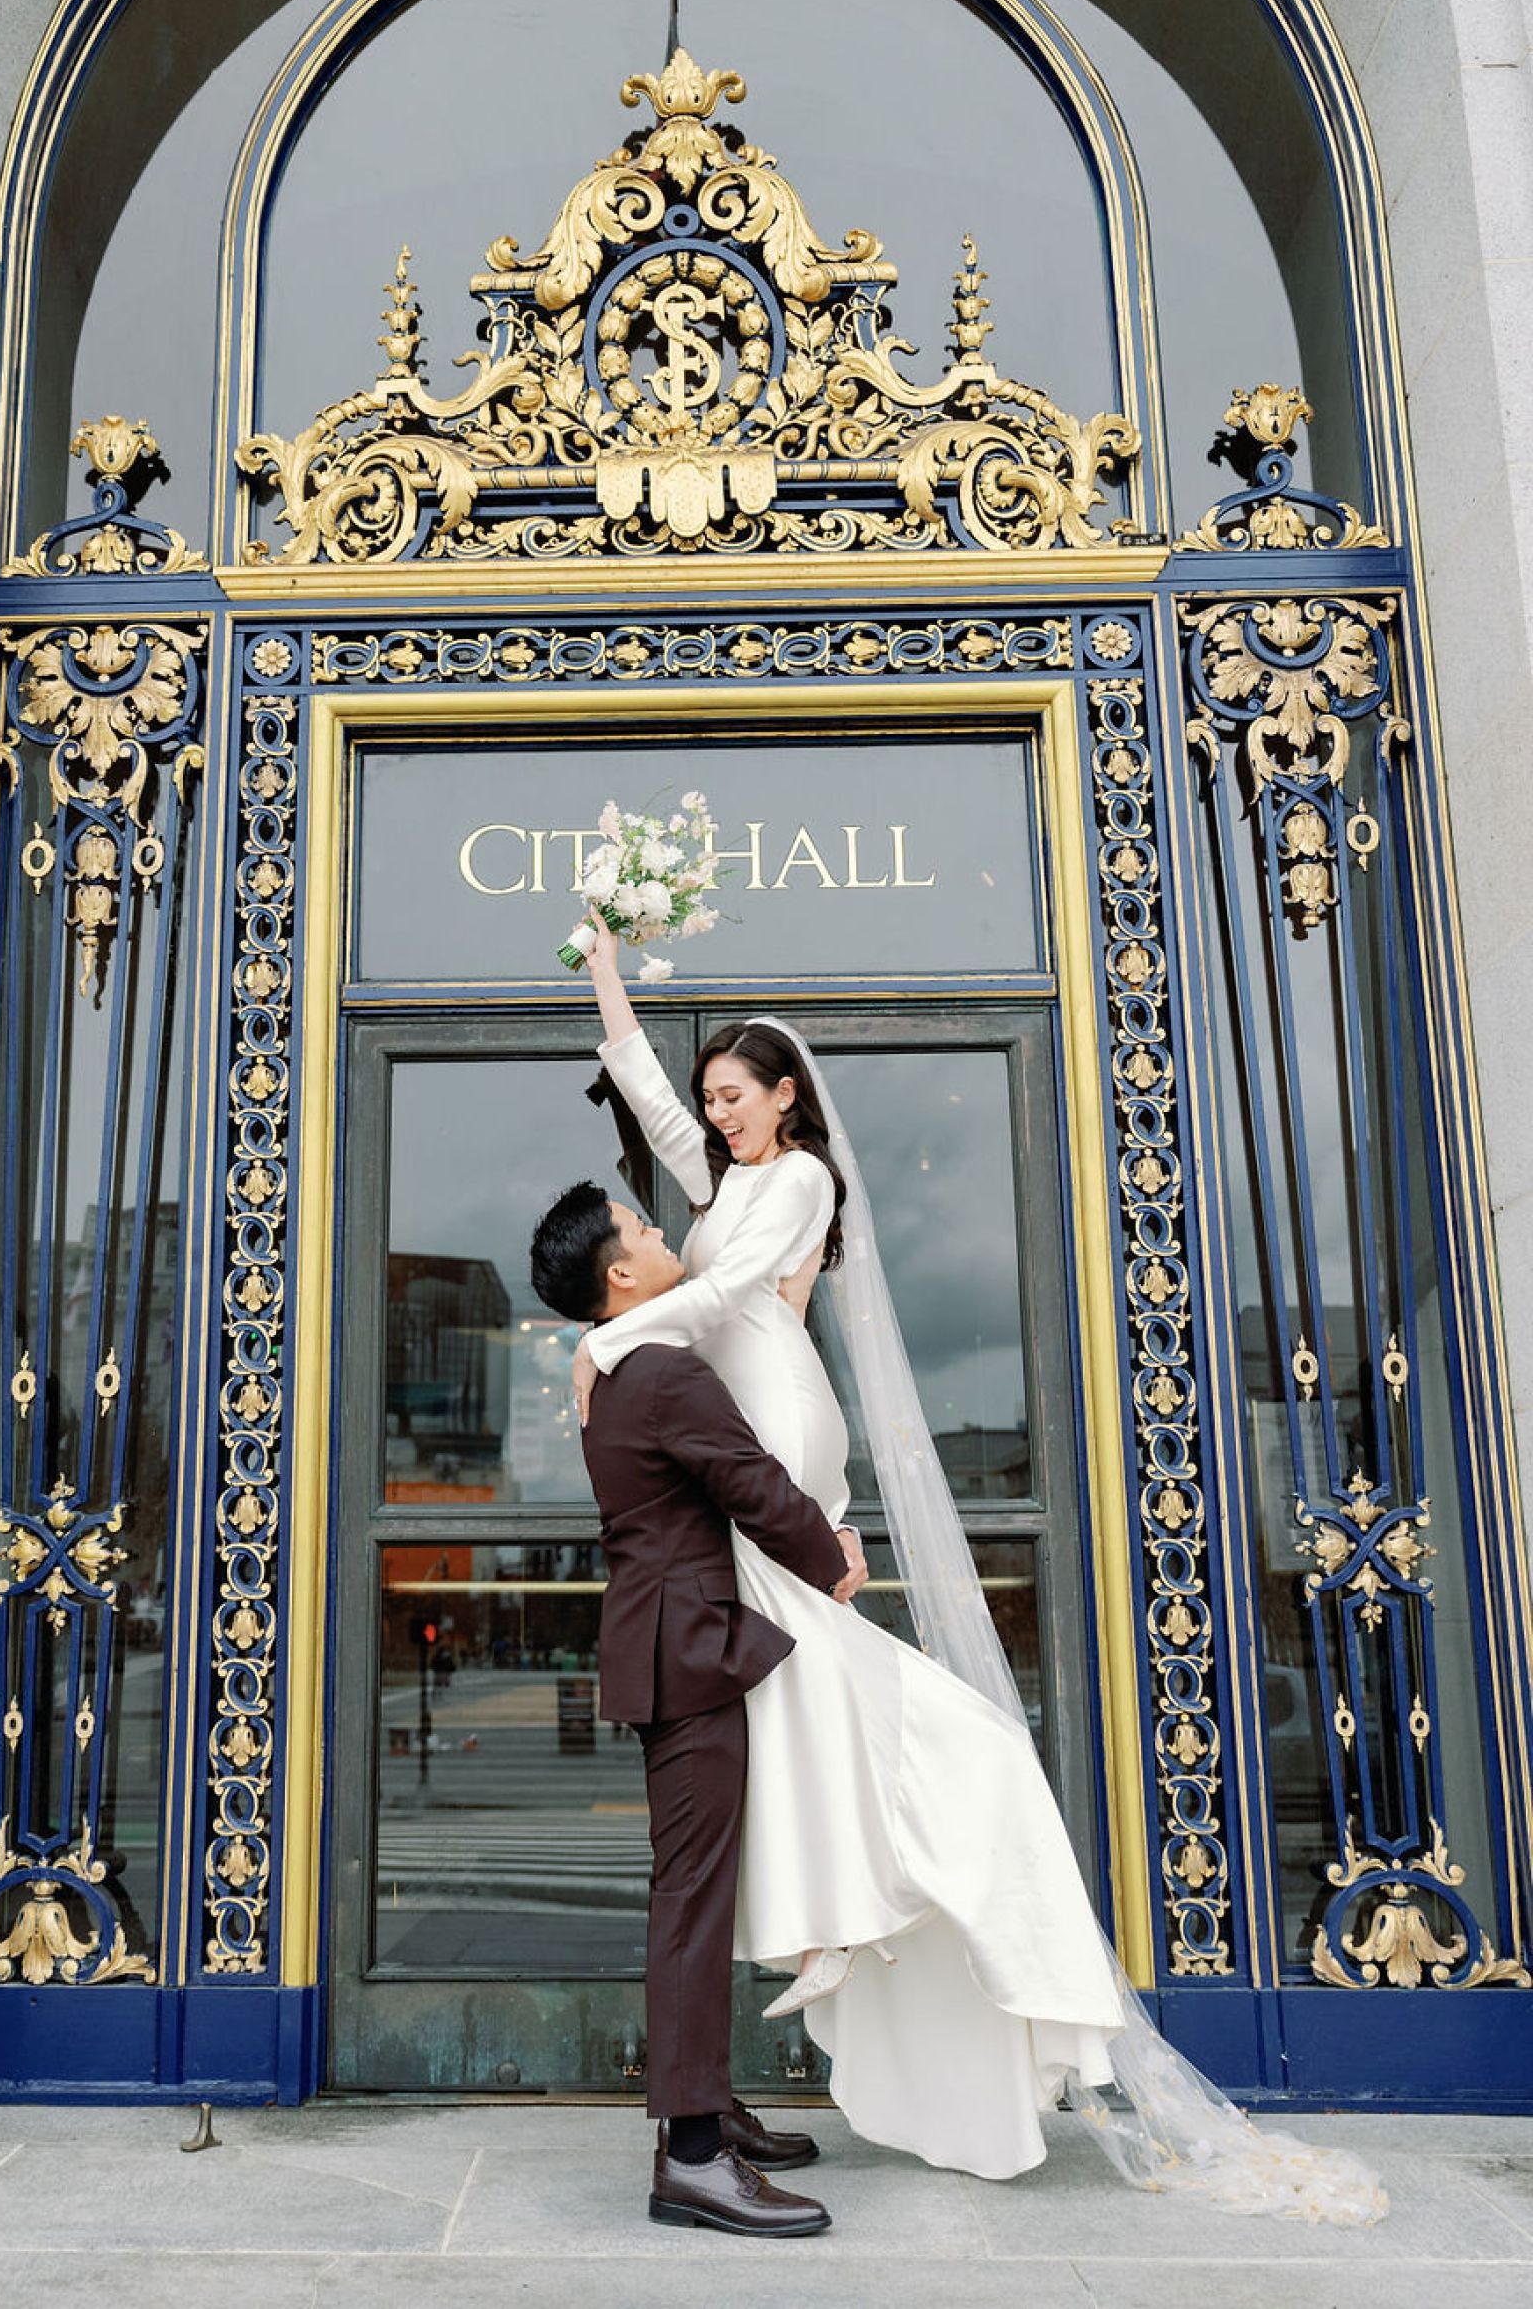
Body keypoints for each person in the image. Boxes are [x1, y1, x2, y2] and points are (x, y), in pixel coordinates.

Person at [563, 917, 1388, 2224]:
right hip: (760, 1490)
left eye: (737, 1095)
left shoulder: (797, 1190)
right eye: (712, 1101)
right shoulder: (721, 1189)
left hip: (777, 1448)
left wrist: (610, 1344)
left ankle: (848, 1951)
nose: (716, 1118)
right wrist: (609, 976)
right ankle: (813, 1969)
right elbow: (654, 1105)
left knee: (857, 1740)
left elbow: (717, 1309)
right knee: (836, 1749)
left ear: (788, 1097)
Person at [528, 1180, 864, 2236]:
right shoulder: (663, 1372)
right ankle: (694, 2154)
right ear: (619, 1276)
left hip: (676, 1646)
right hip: (688, 1654)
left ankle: (708, 2104)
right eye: (641, 1227)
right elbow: (752, 1486)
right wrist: (834, 1562)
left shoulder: (623, 1369)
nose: (662, 1231)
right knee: (691, 1898)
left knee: (699, 1884)